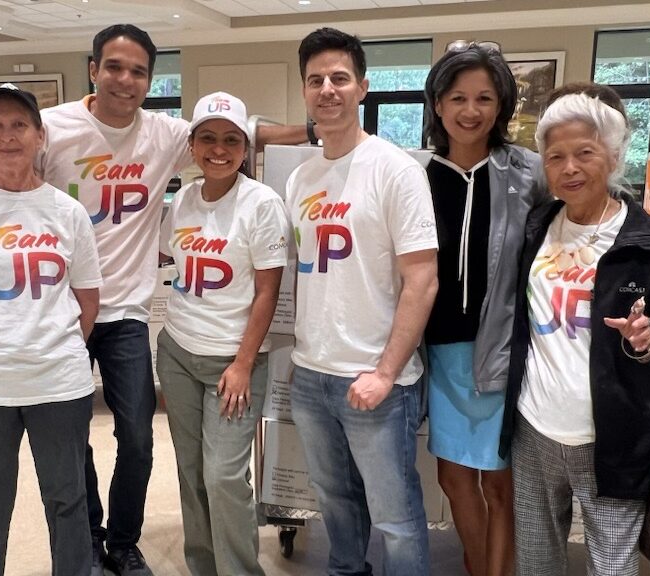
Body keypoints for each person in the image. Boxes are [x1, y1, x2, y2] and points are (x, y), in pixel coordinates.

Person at [0, 23, 307, 576]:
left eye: (138, 71)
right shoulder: (50, 127)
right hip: (57, 313)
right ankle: (87, 539)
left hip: (123, 311)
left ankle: (123, 541)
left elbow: (246, 134)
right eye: (114, 67)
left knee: (138, 438)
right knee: (70, 443)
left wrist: (320, 124)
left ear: (150, 80)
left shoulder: (168, 134)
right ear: (93, 69)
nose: (125, 80)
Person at [499, 91, 650, 575]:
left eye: (584, 153)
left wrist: (648, 340)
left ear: (612, 156)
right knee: (536, 562)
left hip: (613, 436)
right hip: (534, 427)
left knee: (612, 565)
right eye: (555, 157)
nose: (569, 168)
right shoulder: (537, 226)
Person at [285, 27, 438, 575]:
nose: (327, 90)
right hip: (311, 375)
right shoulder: (300, 178)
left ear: (363, 87)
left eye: (339, 78)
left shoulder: (396, 170)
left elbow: (422, 280)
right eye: (315, 80)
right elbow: (308, 272)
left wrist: (385, 373)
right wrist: (304, 351)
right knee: (334, 502)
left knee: (395, 516)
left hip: (377, 379)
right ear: (305, 91)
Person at [0, 85, 102, 576]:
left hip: (58, 382)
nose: (9, 136)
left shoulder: (67, 212)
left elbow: (87, 300)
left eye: (20, 125)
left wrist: (50, 344)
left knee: (67, 501)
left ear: (40, 136)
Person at [420, 41, 549, 576]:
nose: (470, 111)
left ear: (502, 106)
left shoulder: (530, 173)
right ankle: (479, 566)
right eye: (458, 97)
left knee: (500, 482)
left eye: (484, 98)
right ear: (438, 104)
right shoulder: (416, 173)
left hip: (501, 350)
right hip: (439, 353)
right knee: (453, 478)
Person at [156, 91, 288, 576]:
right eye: (207, 138)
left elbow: (268, 292)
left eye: (231, 140)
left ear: (245, 148)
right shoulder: (184, 199)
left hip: (234, 361)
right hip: (177, 351)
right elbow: (168, 260)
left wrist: (243, 364)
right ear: (192, 146)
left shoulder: (262, 204)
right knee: (191, 471)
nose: (219, 149)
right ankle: (203, 566)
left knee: (224, 476)